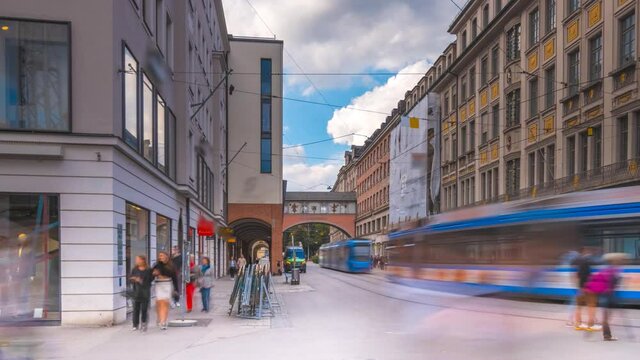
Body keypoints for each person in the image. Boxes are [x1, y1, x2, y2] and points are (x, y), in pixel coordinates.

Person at [571, 247, 600, 331]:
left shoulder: (579, 262)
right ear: (585, 252)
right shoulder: (585, 262)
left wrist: (580, 287)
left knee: (579, 306)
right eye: (588, 251)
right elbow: (584, 275)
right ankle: (591, 325)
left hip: (580, 287)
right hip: (587, 288)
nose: (590, 253)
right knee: (591, 305)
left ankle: (578, 324)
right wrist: (585, 287)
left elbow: (577, 275)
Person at [152, 251, 178, 330]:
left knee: (165, 303)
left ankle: (163, 322)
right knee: (159, 303)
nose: (160, 257)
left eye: (162, 255)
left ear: (167, 256)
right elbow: (152, 274)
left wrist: (176, 289)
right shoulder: (156, 265)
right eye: (159, 256)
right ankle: (159, 317)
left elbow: (174, 277)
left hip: (167, 284)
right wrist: (154, 273)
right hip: (159, 285)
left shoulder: (171, 266)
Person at [129, 255, 152, 331]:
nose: (136, 261)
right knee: (136, 309)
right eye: (136, 260)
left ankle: (144, 323)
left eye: (138, 259)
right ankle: (135, 324)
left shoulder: (148, 270)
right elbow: (130, 279)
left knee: (144, 309)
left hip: (145, 293)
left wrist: (141, 281)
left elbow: (150, 280)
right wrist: (134, 279)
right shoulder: (134, 269)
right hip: (136, 292)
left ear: (143, 260)